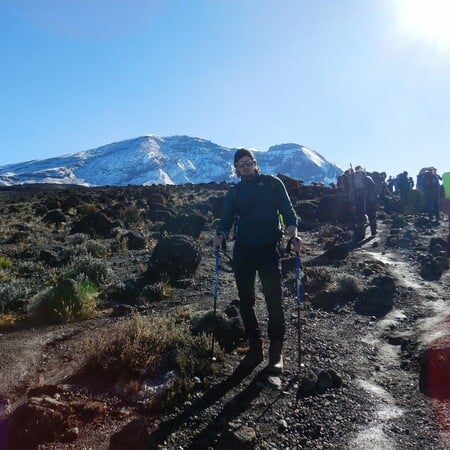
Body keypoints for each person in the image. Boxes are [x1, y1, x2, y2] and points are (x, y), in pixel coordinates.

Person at [213, 148, 301, 374]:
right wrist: (220, 233)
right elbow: (227, 217)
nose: (245, 167)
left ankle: (276, 351)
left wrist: (293, 232)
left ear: (255, 163)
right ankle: (255, 347)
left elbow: (288, 211)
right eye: (240, 164)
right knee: (245, 300)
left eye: (248, 162)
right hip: (243, 250)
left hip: (268, 248)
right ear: (236, 169)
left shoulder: (272, 184)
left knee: (273, 299)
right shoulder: (235, 192)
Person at [349, 165, 378, 242]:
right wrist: (375, 201)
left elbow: (352, 191)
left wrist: (353, 204)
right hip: (368, 199)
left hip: (359, 199)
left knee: (360, 215)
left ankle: (361, 235)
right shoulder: (368, 178)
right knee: (371, 214)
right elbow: (373, 188)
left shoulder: (353, 179)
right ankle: (373, 232)